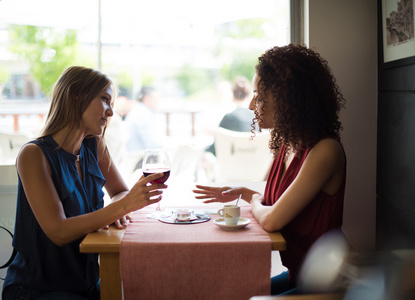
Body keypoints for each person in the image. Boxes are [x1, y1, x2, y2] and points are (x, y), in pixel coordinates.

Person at [2, 66, 168, 300]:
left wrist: (120, 207)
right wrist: (120, 208)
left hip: (85, 283)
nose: (111, 112)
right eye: (104, 99)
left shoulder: (94, 146)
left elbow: (120, 191)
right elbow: (58, 231)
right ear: (76, 95)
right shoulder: (33, 155)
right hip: (36, 289)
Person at [193, 44, 346, 295]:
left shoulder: (325, 151)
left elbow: (273, 218)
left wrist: (252, 199)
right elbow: (275, 195)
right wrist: (241, 191)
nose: (253, 105)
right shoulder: (286, 144)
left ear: (289, 98)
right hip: (300, 274)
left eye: (260, 95)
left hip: (326, 283)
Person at [206, 76, 255, 155]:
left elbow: (214, 149)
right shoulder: (258, 120)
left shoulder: (229, 118)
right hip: (257, 164)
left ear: (232, 94)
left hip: (230, 165)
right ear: (249, 94)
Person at [124, 86, 164, 152]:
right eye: (156, 99)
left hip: (141, 155)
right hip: (140, 157)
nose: (158, 102)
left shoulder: (141, 110)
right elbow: (153, 144)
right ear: (146, 98)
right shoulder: (142, 113)